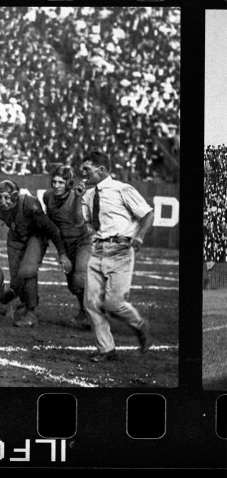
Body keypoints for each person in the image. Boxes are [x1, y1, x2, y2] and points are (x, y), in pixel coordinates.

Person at [0, 180, 72, 328]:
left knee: (28, 270)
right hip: (16, 236)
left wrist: (62, 253)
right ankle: (23, 301)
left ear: (15, 197)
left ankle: (31, 312)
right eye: (0, 197)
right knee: (16, 282)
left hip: (36, 235)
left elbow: (51, 229)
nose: (2, 201)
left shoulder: (30, 205)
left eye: (6, 197)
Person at [76, 150, 154, 362]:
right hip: (97, 249)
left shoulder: (122, 189)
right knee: (91, 303)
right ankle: (106, 349)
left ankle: (139, 324)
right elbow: (79, 222)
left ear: (101, 170)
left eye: (87, 169)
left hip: (120, 249)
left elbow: (147, 213)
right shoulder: (89, 195)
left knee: (113, 303)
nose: (83, 173)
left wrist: (139, 237)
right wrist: (77, 197)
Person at [42, 165, 92, 329]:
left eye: (61, 183)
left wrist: (78, 198)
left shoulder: (77, 198)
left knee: (80, 277)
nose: (56, 185)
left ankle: (92, 314)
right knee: (72, 285)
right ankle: (84, 312)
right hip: (65, 243)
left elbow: (78, 221)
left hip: (83, 241)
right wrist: (60, 251)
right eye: (54, 181)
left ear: (69, 184)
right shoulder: (48, 196)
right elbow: (52, 224)